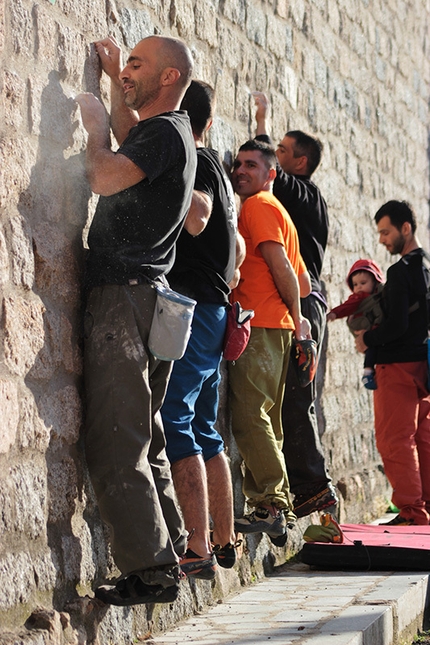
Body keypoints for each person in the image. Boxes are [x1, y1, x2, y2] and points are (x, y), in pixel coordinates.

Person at [75, 34, 196, 606]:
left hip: (126, 297)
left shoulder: (168, 132)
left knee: (117, 439)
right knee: (143, 439)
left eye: (137, 64)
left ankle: (152, 572)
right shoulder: (167, 136)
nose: (125, 70)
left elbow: (106, 174)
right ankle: (170, 549)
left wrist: (95, 127)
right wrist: (114, 91)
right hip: (145, 296)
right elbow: (135, 146)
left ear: (169, 77)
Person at [161, 80, 243, 579]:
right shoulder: (221, 170)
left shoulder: (199, 159)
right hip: (213, 308)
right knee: (207, 428)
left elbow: (197, 218)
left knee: (176, 418)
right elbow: (234, 255)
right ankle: (224, 538)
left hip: (193, 308)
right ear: (210, 121)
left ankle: (196, 547)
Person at [253, 92, 338, 519]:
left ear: (298, 163)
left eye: (284, 153)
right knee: (288, 396)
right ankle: (303, 487)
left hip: (306, 305)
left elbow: (268, 164)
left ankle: (313, 487)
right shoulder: (302, 200)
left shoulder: (304, 194)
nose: (275, 159)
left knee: (296, 396)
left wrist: (261, 118)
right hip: (301, 304)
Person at [229, 138, 312, 545]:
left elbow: (281, 268)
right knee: (267, 418)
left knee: (249, 415)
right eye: (238, 164)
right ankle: (269, 504)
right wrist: (297, 323)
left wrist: (298, 322)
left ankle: (274, 505)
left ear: (271, 174)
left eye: (251, 166)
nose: (241, 171)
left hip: (260, 323)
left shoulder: (257, 206)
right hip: (274, 326)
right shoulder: (280, 212)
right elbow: (304, 280)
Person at [355, 200, 430, 526]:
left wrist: (366, 340)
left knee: (393, 440)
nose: (383, 239)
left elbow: (396, 324)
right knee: (422, 438)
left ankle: (412, 513)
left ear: (406, 228)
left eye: (386, 232)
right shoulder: (426, 267)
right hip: (422, 366)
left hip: (396, 366)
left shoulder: (400, 271)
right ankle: (424, 506)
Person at [327, 259, 384, 390]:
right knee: (371, 348)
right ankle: (368, 372)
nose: (359, 287)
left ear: (375, 281)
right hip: (367, 328)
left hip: (375, 327)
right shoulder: (358, 298)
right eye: (355, 284)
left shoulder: (378, 297)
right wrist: (335, 313)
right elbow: (347, 307)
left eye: (363, 283)